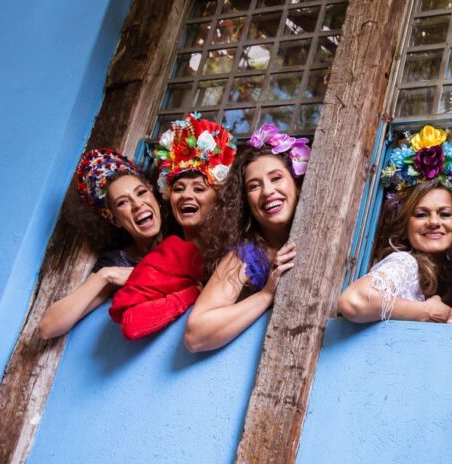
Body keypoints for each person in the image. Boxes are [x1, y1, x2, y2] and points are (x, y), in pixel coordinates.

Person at [108, 114, 236, 340]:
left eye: (199, 189)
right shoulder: (167, 255)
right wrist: (192, 293)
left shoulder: (239, 247)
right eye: (178, 189)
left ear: (218, 199)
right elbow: (132, 324)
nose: (186, 195)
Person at [184, 124, 310, 352]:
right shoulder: (245, 255)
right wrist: (266, 294)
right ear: (246, 203)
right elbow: (195, 335)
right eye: (254, 186)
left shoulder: (322, 238)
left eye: (276, 178)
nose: (267, 191)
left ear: (297, 186)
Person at [338, 125, 452, 323]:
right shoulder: (405, 263)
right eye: (421, 214)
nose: (434, 222)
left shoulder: (450, 275)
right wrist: (426, 312)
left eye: (444, 214)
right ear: (406, 225)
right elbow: (353, 301)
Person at [39, 149, 162, 339]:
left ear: (154, 194)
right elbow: (48, 327)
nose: (138, 204)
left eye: (141, 193)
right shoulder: (118, 262)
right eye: (122, 203)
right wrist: (106, 275)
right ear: (114, 219)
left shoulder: (181, 230)